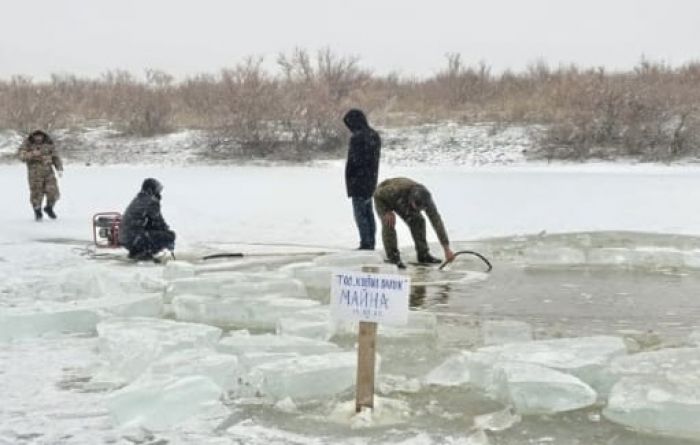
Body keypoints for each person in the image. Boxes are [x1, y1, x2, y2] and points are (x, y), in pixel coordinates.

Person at [374, 177, 455, 269]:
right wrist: (385, 211)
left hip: (404, 200)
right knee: (389, 222)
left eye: (421, 209)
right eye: (416, 207)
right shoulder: (395, 190)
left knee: (418, 221)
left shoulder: (427, 199)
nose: (418, 210)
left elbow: (436, 221)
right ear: (411, 199)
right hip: (384, 199)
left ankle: (423, 255)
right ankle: (393, 257)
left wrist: (446, 248)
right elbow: (377, 195)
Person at [343, 108, 381, 250]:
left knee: (361, 214)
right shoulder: (374, 135)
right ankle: (370, 241)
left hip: (358, 182)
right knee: (368, 212)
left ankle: (365, 243)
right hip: (371, 180)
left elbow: (354, 161)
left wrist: (351, 179)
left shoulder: (357, 137)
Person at [119, 178, 176, 262]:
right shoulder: (151, 201)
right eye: (157, 190)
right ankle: (143, 253)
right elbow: (158, 222)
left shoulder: (139, 199)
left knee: (155, 233)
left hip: (125, 237)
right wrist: (169, 236)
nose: (159, 193)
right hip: (135, 238)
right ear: (150, 189)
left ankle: (137, 252)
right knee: (169, 235)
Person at [17, 130, 63, 221]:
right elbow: (21, 156)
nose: (38, 138)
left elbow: (55, 157)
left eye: (40, 136)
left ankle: (49, 208)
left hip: (48, 173)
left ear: (43, 136)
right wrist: (32, 154)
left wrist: (59, 168)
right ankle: (37, 211)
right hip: (35, 175)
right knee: (36, 194)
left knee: (53, 193)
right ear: (33, 136)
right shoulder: (28, 145)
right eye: (36, 136)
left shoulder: (49, 144)